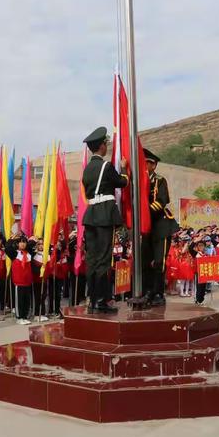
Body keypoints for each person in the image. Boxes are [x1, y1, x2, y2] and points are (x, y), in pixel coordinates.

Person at [82, 126, 129, 313]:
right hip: (104, 215)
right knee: (103, 259)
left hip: (91, 214)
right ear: (101, 146)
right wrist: (125, 170)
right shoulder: (105, 166)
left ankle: (93, 300)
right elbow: (122, 182)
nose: (106, 146)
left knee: (92, 260)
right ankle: (101, 301)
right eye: (105, 144)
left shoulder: (87, 169)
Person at [141, 148, 179, 306]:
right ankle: (147, 291)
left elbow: (162, 200)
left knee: (158, 262)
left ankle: (158, 293)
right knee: (145, 261)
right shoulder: (139, 181)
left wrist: (145, 211)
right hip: (146, 226)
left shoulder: (159, 180)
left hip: (161, 225)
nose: (144, 166)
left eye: (147, 163)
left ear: (153, 165)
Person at [6, 233, 34, 325]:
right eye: (21, 242)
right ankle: (19, 317)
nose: (23, 244)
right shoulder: (15, 254)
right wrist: (11, 239)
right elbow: (7, 248)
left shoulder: (29, 254)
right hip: (19, 282)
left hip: (27, 282)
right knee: (19, 300)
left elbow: (32, 245)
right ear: (17, 244)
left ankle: (25, 316)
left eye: (24, 242)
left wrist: (33, 239)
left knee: (26, 300)